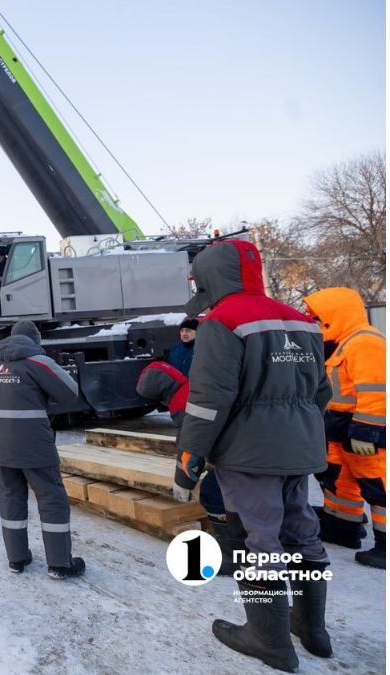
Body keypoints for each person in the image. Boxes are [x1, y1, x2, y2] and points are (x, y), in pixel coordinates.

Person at [179, 240, 332, 670]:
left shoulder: (222, 322)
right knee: (302, 530)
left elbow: (209, 401)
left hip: (249, 455)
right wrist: (298, 433)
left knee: (258, 538)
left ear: (208, 278)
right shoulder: (300, 321)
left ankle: (269, 639)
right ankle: (313, 631)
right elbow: (322, 391)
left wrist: (189, 458)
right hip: (299, 449)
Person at [0, 320, 84, 578]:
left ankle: (16, 559)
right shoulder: (39, 362)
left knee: (11, 497)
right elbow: (70, 393)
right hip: (35, 446)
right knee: (51, 499)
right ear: (35, 339)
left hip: (0, 446)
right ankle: (59, 564)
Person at [303, 287, 385, 568]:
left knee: (378, 486)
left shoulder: (365, 341)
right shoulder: (340, 343)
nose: (314, 323)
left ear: (333, 316)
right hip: (340, 428)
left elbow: (377, 391)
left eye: (317, 319)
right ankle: (342, 528)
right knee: (339, 480)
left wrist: (367, 430)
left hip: (363, 429)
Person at [135, 360, 234, 576]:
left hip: (241, 454)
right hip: (253, 445)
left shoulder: (181, 401)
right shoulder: (192, 386)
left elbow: (189, 447)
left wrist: (183, 482)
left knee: (212, 493)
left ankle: (232, 555)